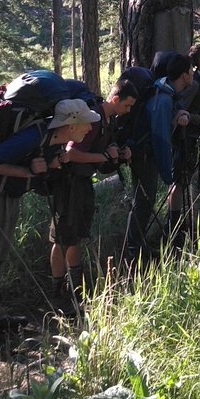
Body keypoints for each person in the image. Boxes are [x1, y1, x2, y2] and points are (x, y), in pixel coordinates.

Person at [0, 97, 99, 354]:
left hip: (6, 195)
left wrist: (47, 164)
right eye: (85, 124)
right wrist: (27, 171)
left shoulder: (51, 141)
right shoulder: (34, 135)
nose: (89, 129)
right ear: (70, 125)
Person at [54, 81, 138, 304]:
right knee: (63, 238)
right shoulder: (93, 117)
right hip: (68, 182)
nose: (128, 111)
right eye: (127, 105)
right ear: (115, 99)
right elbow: (71, 153)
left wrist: (118, 155)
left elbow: (102, 159)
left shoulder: (109, 121)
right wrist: (103, 157)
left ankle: (75, 289)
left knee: (77, 235)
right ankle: (58, 292)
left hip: (83, 182)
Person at [122, 52, 192, 264]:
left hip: (148, 155)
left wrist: (180, 114)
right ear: (184, 75)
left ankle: (139, 246)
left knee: (145, 202)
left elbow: (174, 110)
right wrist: (167, 173)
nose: (192, 73)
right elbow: (160, 138)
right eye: (190, 70)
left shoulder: (167, 92)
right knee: (143, 203)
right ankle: (132, 254)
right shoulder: (162, 98)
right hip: (144, 157)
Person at [167, 44, 200, 250]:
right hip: (183, 138)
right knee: (179, 182)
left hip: (192, 136)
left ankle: (182, 224)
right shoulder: (194, 84)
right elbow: (180, 111)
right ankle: (175, 228)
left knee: (185, 179)